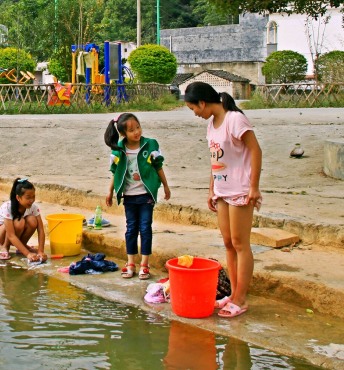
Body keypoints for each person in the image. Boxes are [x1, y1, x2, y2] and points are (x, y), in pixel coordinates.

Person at [184, 82, 262, 318]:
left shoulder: (235, 119)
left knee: (241, 244)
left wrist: (254, 187)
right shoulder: (211, 124)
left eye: (193, 108)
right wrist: (211, 189)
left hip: (240, 189)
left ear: (203, 103)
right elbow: (215, 159)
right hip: (222, 190)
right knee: (228, 243)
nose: (195, 114)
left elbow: (256, 150)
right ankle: (233, 293)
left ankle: (241, 298)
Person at [104, 113, 171, 280]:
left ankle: (145, 264)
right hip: (129, 196)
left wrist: (166, 186)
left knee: (145, 228)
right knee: (131, 228)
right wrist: (110, 192)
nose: (136, 132)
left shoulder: (150, 145)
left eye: (138, 127)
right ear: (123, 134)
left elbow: (158, 166)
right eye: (131, 130)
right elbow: (115, 172)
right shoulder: (119, 149)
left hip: (146, 194)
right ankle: (131, 263)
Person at [0, 178, 47, 262]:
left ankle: (22, 246)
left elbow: (41, 229)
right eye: (28, 197)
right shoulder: (8, 207)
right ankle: (5, 247)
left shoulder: (34, 207)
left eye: (33, 197)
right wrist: (28, 254)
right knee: (19, 221)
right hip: (1, 234)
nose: (31, 200)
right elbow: (11, 235)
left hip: (16, 232)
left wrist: (41, 251)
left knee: (32, 220)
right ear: (18, 198)